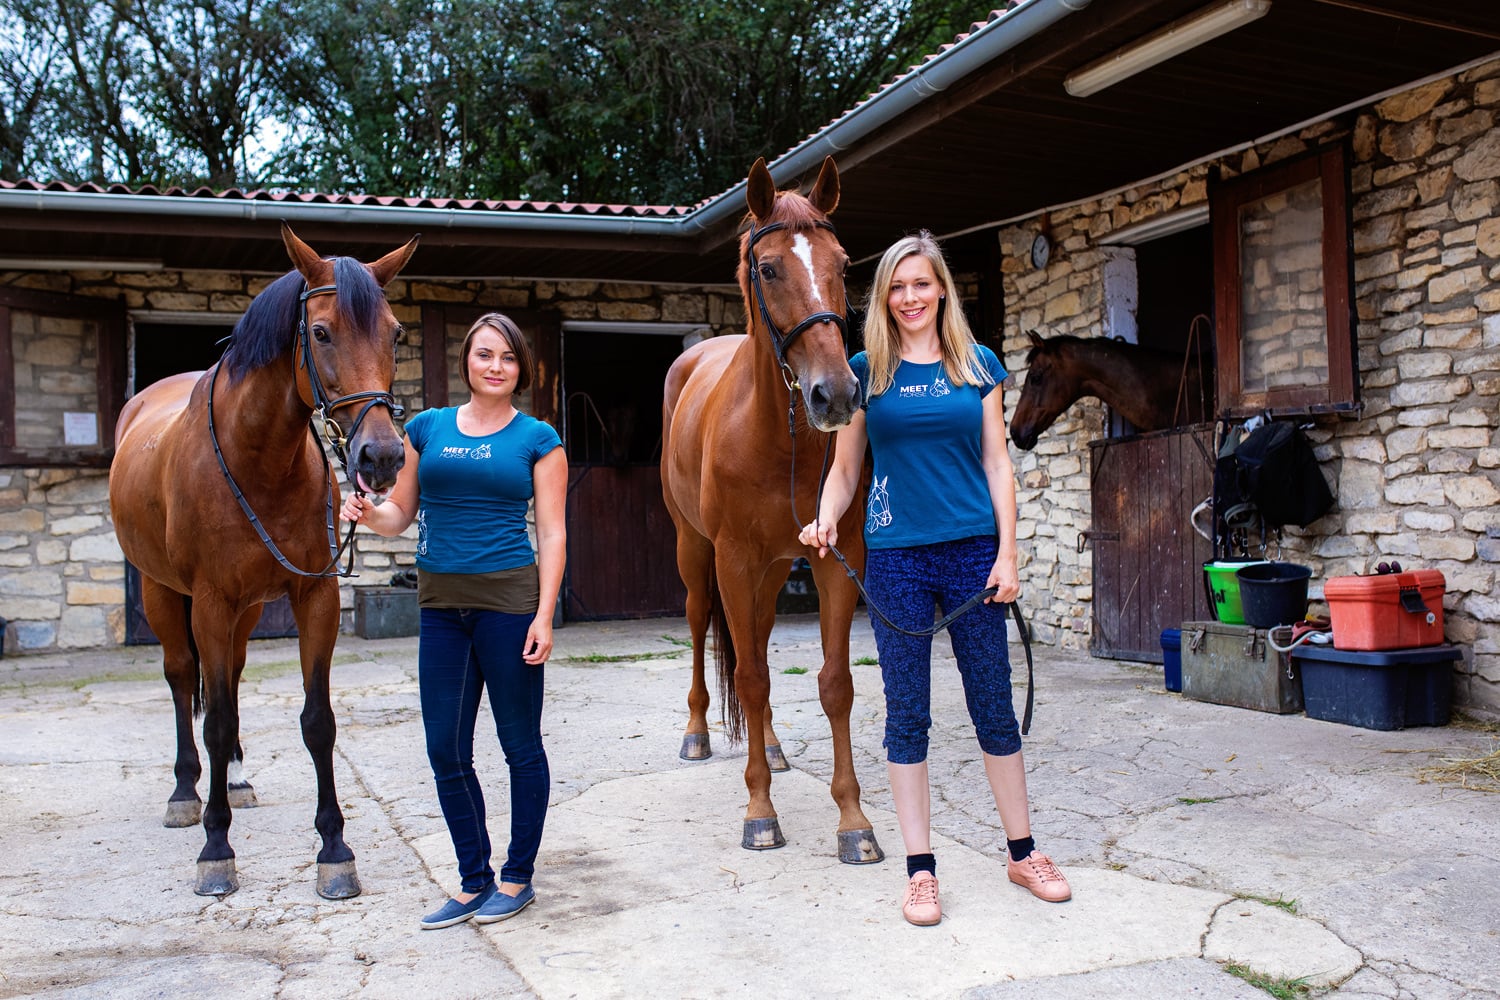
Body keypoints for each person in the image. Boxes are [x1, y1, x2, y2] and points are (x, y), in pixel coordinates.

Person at [799, 231, 1070, 927]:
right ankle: (921, 872)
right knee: (907, 714)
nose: (910, 297)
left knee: (993, 705)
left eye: (921, 283)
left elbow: (997, 465)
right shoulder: (866, 373)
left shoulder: (976, 364)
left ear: (941, 288)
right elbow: (845, 469)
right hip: (898, 561)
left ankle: (1023, 852)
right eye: (897, 286)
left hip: (973, 555)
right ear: (883, 297)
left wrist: (1008, 553)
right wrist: (827, 519)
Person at [341, 312, 566, 930]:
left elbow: (551, 531)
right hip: (442, 611)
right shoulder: (428, 429)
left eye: (508, 358)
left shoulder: (538, 439)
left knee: (519, 745)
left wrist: (544, 615)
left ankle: (517, 878)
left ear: (520, 369)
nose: (495, 366)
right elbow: (400, 514)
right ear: (467, 361)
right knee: (445, 747)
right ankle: (473, 881)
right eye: (485, 354)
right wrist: (367, 511)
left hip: (510, 608)